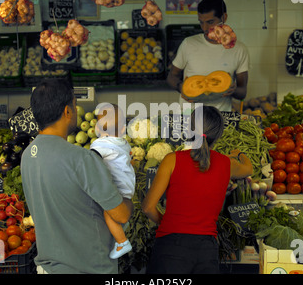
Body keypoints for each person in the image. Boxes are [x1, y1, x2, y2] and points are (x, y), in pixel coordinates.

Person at [20, 80, 133, 274]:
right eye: (74, 104)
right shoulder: (82, 159)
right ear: (67, 112)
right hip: (87, 268)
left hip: (48, 268)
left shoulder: (28, 155)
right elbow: (121, 214)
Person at [142, 105, 253, 274]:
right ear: (218, 134)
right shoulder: (227, 164)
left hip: (171, 246)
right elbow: (249, 169)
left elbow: (147, 207)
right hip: (206, 251)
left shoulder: (172, 160)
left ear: (189, 129)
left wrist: (167, 223)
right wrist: (239, 154)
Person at [167, 0, 250, 112]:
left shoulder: (239, 49)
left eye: (210, 22)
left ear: (224, 17)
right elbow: (171, 76)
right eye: (201, 22)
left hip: (220, 119)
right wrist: (181, 87)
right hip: (189, 116)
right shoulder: (188, 44)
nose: (205, 28)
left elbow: (242, 92)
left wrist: (233, 90)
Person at [90, 103, 135, 259]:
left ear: (96, 128)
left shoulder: (99, 145)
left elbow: (91, 163)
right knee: (117, 212)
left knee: (108, 212)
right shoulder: (123, 142)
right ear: (123, 130)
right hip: (128, 186)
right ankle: (122, 226)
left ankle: (122, 242)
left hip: (117, 188)